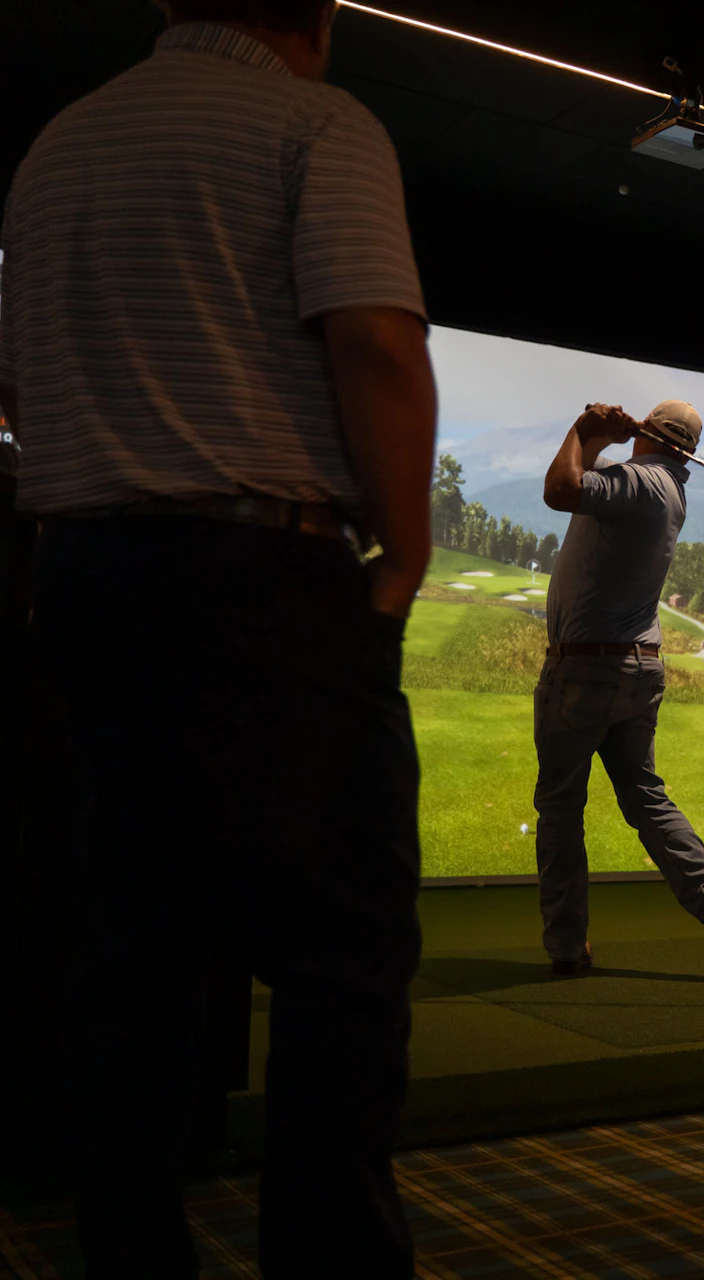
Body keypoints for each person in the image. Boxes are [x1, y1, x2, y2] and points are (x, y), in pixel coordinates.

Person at [0, 0, 435, 1273]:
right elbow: (374, 341)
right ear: (320, 14)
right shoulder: (317, 120)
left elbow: (18, 379)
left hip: (82, 575)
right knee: (340, 957)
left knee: (135, 950)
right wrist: (403, 555)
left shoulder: (56, 144)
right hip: (262, 575)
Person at [538, 399, 704, 983]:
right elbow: (584, 483)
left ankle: (567, 944)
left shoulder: (637, 482)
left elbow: (562, 489)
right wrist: (602, 444)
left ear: (648, 433)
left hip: (586, 672)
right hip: (635, 669)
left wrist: (584, 429)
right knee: (643, 795)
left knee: (561, 807)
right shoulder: (668, 487)